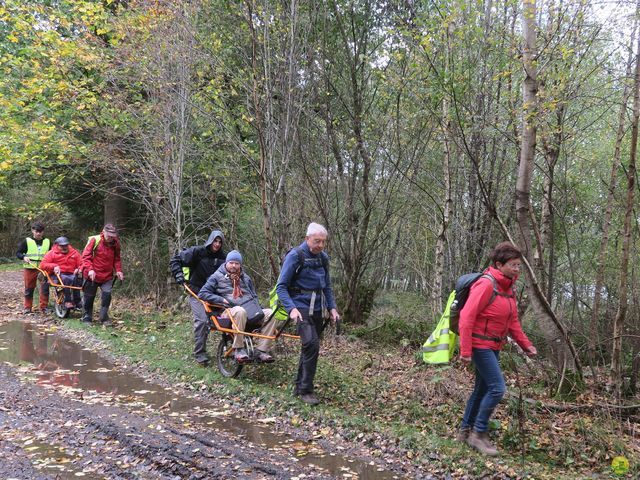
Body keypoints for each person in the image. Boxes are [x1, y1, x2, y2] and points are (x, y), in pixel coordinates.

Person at [457, 241, 537, 456]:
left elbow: (513, 322)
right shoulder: (485, 284)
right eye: (513, 265)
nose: (517, 269)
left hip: (494, 345)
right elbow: (466, 317)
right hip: (479, 345)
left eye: (519, 265)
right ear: (499, 264)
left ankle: (465, 431)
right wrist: (465, 351)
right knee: (497, 388)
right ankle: (478, 434)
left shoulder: (508, 288)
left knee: (482, 389)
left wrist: (526, 344)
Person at [275, 222, 339, 405]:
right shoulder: (296, 256)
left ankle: (299, 386)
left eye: (323, 242)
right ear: (307, 239)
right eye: (316, 241)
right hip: (300, 307)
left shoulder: (323, 258)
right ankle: (306, 390)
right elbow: (281, 287)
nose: (320, 245)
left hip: (318, 308)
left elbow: (327, 286)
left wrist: (332, 308)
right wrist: (291, 309)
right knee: (312, 344)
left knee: (309, 347)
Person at [198, 250, 278, 363]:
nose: (234, 266)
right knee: (240, 311)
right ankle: (238, 349)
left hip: (249, 309)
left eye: (237, 263)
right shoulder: (216, 276)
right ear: (226, 263)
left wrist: (258, 309)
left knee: (271, 313)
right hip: (228, 311)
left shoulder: (245, 278)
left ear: (240, 265)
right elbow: (203, 293)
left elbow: (253, 295)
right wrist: (221, 299)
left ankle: (261, 350)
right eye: (231, 263)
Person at [170, 230, 226, 366]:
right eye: (215, 241)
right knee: (202, 320)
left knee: (229, 318)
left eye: (220, 242)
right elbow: (176, 260)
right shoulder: (197, 252)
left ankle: (229, 349)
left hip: (214, 296)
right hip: (196, 293)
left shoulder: (224, 258)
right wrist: (178, 275)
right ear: (210, 240)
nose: (217, 244)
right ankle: (200, 353)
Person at [81, 224, 124, 326]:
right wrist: (90, 269)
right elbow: (86, 257)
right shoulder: (94, 240)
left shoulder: (115, 243)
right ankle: (87, 317)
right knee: (89, 297)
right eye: (108, 235)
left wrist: (118, 270)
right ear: (103, 232)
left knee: (107, 295)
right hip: (92, 275)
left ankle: (104, 317)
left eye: (112, 235)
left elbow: (117, 258)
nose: (110, 237)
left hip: (107, 275)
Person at [16, 221, 51, 314]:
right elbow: (18, 253)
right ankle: (27, 307)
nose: (38, 233)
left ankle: (44, 307)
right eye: (37, 231)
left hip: (43, 269)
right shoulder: (26, 241)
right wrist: (24, 257)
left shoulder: (47, 241)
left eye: (40, 231)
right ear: (32, 230)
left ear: (43, 231)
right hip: (30, 268)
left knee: (44, 287)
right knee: (29, 288)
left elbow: (52, 254)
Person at [40, 236, 83, 310]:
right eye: (62, 246)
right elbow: (42, 265)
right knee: (66, 279)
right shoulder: (51, 253)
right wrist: (54, 266)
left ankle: (77, 301)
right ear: (57, 245)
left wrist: (79, 269)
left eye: (66, 245)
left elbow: (82, 263)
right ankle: (67, 301)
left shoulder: (74, 253)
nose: (64, 248)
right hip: (56, 275)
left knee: (76, 279)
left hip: (71, 274)